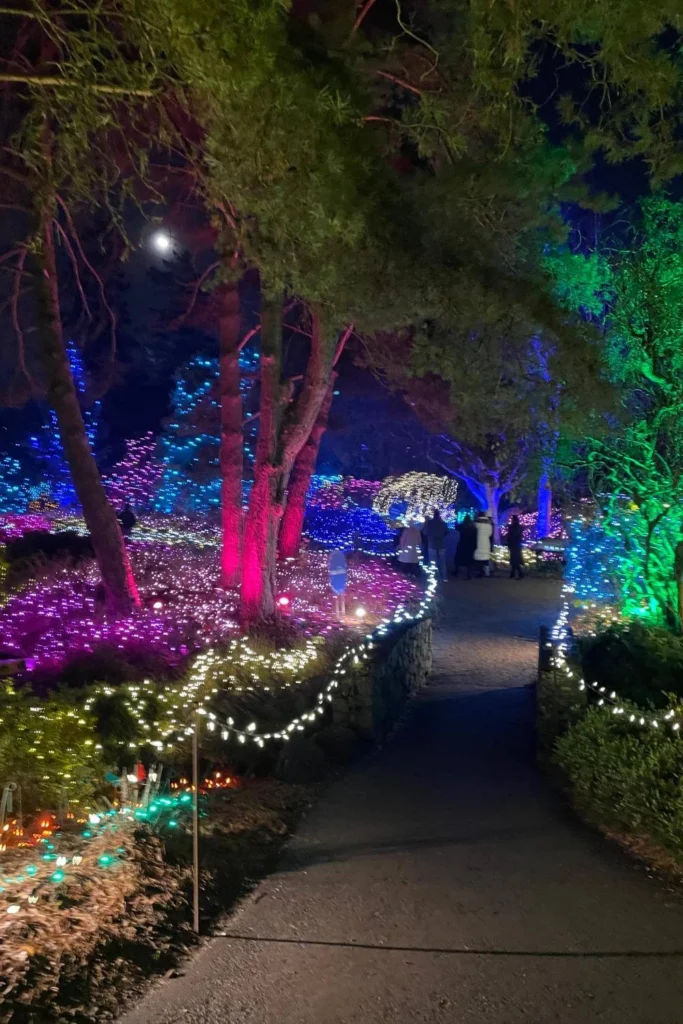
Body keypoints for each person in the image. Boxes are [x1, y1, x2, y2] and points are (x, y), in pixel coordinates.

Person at [426, 509, 449, 581]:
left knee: (432, 562)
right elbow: (447, 532)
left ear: (433, 514)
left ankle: (433, 577)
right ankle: (444, 577)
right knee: (442, 562)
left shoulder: (429, 523)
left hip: (432, 544)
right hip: (441, 544)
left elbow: (425, 532)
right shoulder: (443, 523)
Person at [454, 514, 476, 579]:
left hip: (462, 543)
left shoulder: (462, 526)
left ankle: (456, 571)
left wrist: (456, 520)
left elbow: (456, 527)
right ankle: (469, 574)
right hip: (470, 545)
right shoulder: (473, 528)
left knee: (458, 558)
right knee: (469, 560)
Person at [329, 548, 347, 617]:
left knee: (338, 599)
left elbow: (332, 574)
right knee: (341, 599)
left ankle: (339, 614)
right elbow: (344, 574)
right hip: (340, 583)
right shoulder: (341, 562)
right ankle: (341, 613)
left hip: (337, 583)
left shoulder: (334, 563)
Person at [505, 514, 524, 579]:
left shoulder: (512, 527)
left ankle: (519, 573)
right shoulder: (519, 527)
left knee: (514, 559)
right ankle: (513, 573)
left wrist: (508, 542)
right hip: (517, 544)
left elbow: (510, 536)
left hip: (513, 544)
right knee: (515, 559)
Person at [474, 512, 493, 577]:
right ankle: (487, 572)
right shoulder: (489, 524)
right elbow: (490, 534)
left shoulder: (476, 523)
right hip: (486, 543)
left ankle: (480, 571)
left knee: (479, 559)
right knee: (486, 558)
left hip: (478, 542)